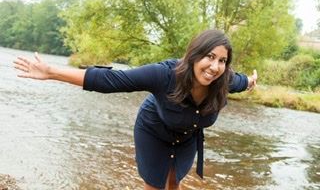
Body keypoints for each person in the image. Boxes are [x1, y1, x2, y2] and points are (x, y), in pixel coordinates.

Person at [14, 29, 257, 190]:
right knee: (154, 185)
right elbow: (110, 81)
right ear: (194, 56)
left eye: (222, 61)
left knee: (174, 181)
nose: (215, 67)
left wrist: (251, 82)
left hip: (186, 137)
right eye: (209, 57)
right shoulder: (164, 75)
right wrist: (52, 72)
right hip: (153, 129)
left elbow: (244, 81)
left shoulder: (225, 81)